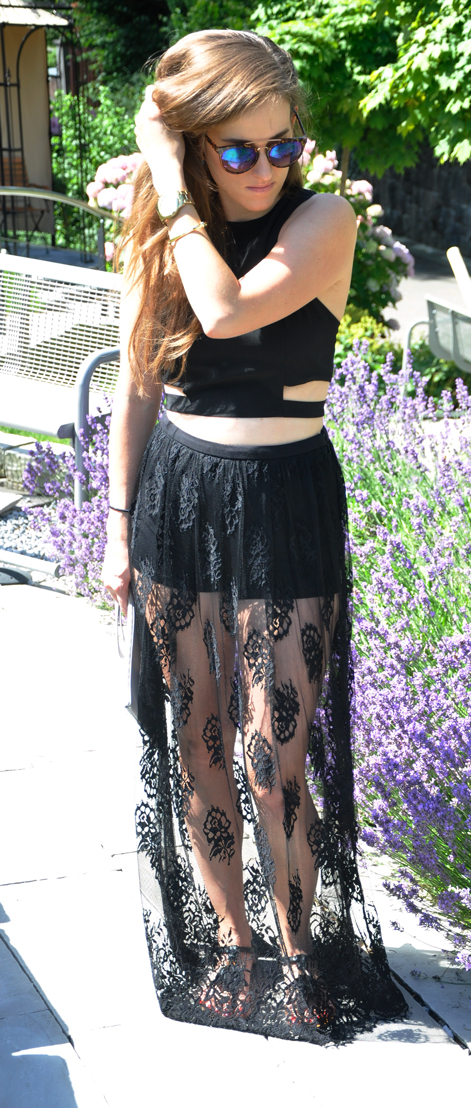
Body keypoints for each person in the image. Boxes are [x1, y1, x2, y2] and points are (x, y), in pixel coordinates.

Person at [101, 28, 407, 1043]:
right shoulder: (165, 229)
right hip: (182, 493)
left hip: (282, 493)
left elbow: (226, 313)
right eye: (235, 150)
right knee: (195, 738)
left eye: (280, 145)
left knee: (269, 750)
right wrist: (116, 523)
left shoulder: (323, 220)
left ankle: (294, 950)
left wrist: (164, 176)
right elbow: (140, 382)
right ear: (194, 147)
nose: (265, 168)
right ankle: (233, 947)